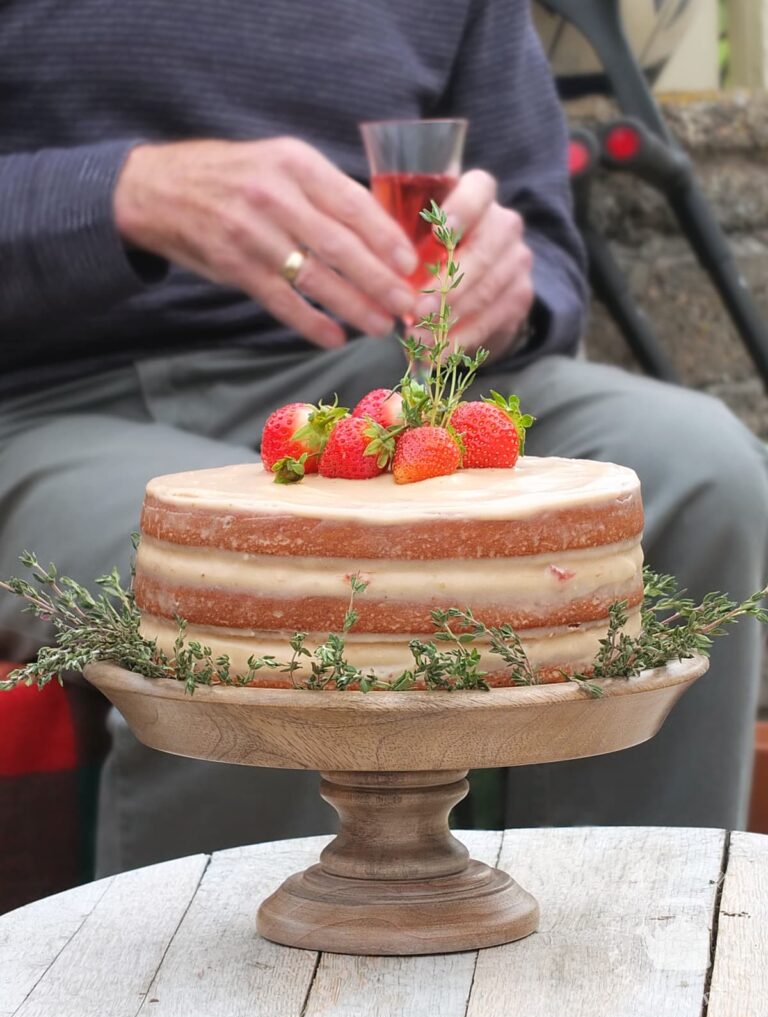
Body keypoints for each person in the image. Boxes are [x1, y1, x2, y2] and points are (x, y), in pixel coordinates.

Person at [1, 0, 766, 877]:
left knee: (704, 470)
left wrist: (509, 288)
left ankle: (632, 956)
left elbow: (537, 228)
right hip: (62, 395)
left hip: (402, 382)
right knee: (258, 582)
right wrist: (118, 195)